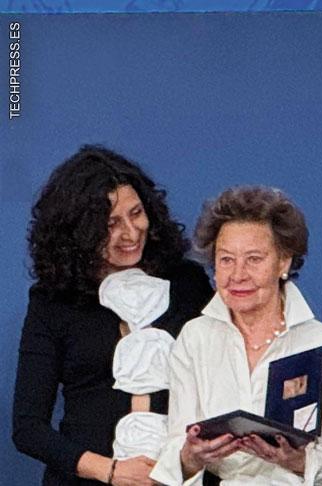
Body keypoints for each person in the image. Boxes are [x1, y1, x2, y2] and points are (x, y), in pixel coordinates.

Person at [13, 145, 213, 485]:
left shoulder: (187, 282)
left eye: (136, 213)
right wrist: (111, 471)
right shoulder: (53, 301)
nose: (130, 233)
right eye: (111, 223)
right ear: (79, 232)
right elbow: (28, 428)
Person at [150, 186, 322, 485]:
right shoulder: (195, 338)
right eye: (226, 260)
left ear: (283, 262)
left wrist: (298, 461)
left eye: (254, 259)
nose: (238, 275)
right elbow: (176, 448)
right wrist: (191, 457)